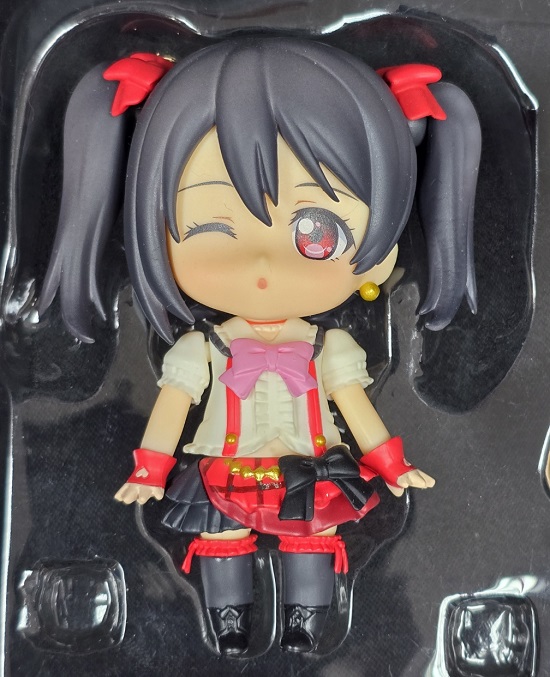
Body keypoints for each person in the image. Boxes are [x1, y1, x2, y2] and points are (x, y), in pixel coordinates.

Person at [39, 38, 481, 655]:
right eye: (210, 227)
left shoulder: (326, 346)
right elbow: (173, 405)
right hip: (224, 468)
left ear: (379, 256)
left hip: (307, 467)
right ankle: (229, 622)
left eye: (316, 232)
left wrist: (390, 462)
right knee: (222, 539)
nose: (262, 264)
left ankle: (305, 618)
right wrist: (151, 467)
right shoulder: (205, 347)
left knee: (311, 537)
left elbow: (354, 406)